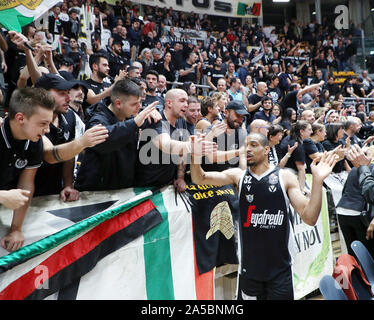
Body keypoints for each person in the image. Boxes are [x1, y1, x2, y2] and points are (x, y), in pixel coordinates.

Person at [190, 132, 338, 300]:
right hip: (249, 271)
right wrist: (195, 156)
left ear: (267, 149)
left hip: (280, 271)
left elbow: (310, 218)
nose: (248, 149)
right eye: (246, 146)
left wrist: (317, 181)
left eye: (254, 145)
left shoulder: (285, 177)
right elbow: (199, 178)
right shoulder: (238, 176)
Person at [0, 88, 53, 251]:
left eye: (49, 123)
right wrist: (2, 196)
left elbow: (26, 185)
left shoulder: (34, 141)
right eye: (42, 123)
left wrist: (16, 229)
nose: (47, 130)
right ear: (20, 118)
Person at [74, 79, 161, 192]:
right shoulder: (97, 118)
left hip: (122, 189)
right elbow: (104, 139)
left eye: (140, 102)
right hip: (95, 191)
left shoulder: (129, 116)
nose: (139, 107)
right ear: (118, 103)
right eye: (134, 104)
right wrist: (134, 123)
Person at [135, 88, 214, 191]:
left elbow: (182, 154)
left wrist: (180, 177)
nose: (186, 104)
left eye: (186, 101)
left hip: (168, 184)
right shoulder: (155, 120)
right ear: (169, 103)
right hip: (146, 187)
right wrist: (191, 146)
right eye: (182, 101)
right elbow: (166, 145)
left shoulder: (181, 121)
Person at [278, 120, 312, 193]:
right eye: (309, 130)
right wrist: (302, 189)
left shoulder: (288, 138)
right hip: (290, 174)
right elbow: (301, 169)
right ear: (301, 132)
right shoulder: (297, 145)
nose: (311, 132)